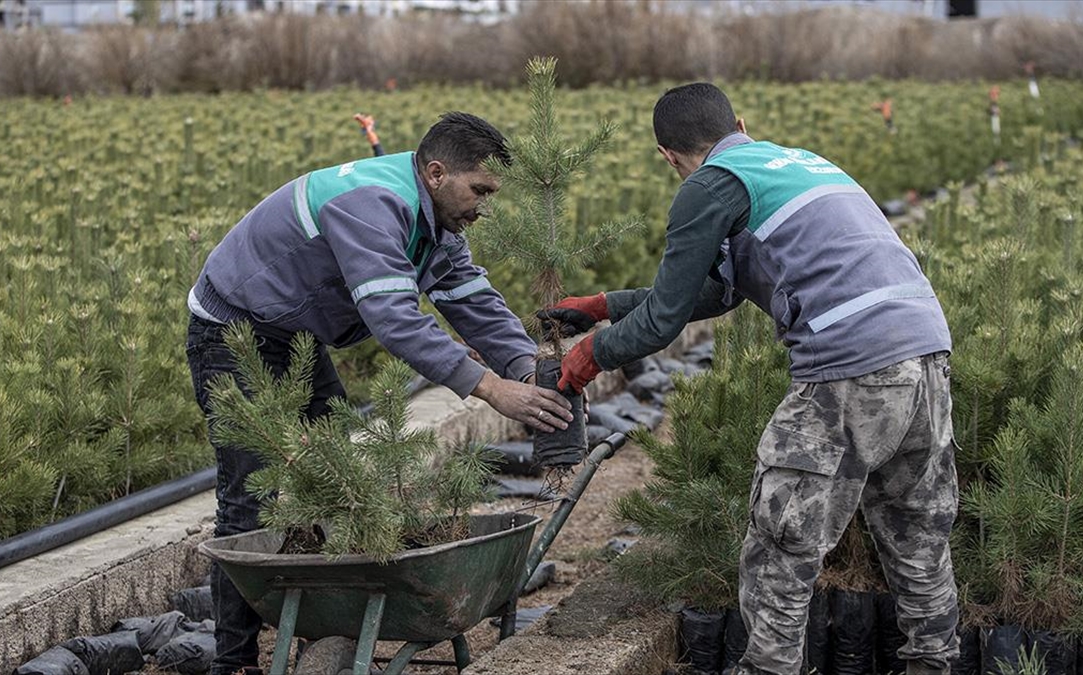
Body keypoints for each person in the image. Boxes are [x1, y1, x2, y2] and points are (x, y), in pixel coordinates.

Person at [541, 83, 958, 674]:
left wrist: (589, 357)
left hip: (848, 366)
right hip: (926, 355)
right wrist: (605, 305)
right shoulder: (797, 163)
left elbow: (665, 319)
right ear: (739, 122)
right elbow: (715, 292)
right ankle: (934, 665)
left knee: (781, 546)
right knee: (919, 539)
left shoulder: (708, 185)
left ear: (667, 155)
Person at [186, 112, 572, 675]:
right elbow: (392, 316)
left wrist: (530, 369)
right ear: (437, 173)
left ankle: (315, 623)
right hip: (232, 329)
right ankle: (234, 661)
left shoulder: (437, 221)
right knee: (249, 494)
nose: (483, 205)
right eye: (480, 190)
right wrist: (492, 389)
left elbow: (474, 302)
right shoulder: (370, 204)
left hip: (292, 331)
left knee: (339, 472)